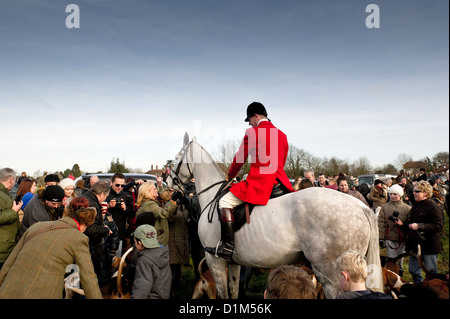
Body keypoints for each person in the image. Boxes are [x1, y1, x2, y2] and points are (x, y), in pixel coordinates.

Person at [213, 102, 294, 260]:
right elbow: (282, 160)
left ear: (256, 116)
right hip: (281, 182)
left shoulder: (253, 132)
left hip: (261, 182)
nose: (249, 123)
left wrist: (230, 175)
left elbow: (239, 158)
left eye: (249, 119)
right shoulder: (282, 134)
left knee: (224, 202)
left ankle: (228, 247)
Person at [0, 198, 102, 299]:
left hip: (8, 291)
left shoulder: (36, 227)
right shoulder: (79, 238)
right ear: (84, 223)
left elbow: (9, 263)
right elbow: (89, 279)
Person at [405, 180, 444, 284]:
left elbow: (438, 225)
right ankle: (421, 289)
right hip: (415, 245)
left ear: (425, 193)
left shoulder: (433, 206)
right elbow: (412, 223)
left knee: (431, 273)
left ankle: (434, 291)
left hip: (429, 245)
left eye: (417, 191)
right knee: (413, 270)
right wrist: (403, 224)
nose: (413, 193)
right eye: (414, 191)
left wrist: (419, 226)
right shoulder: (415, 205)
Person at [378, 184, 411, 276]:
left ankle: (400, 277)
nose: (392, 196)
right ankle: (392, 277)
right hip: (389, 238)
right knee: (392, 260)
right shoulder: (384, 207)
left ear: (400, 195)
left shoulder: (407, 209)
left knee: (400, 261)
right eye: (391, 194)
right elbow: (381, 223)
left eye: (395, 194)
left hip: (402, 239)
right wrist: (381, 237)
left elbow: (409, 224)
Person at [131, 224, 172, 299]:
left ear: (139, 242)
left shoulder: (144, 260)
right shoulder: (163, 254)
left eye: (135, 241)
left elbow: (142, 286)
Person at [136, 181, 181, 246]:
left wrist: (174, 205)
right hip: (157, 242)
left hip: (155, 241)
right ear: (147, 192)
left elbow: (167, 216)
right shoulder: (149, 205)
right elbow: (163, 213)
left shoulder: (148, 204)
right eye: (154, 189)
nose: (157, 190)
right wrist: (173, 201)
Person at [82, 181, 112, 280]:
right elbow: (90, 228)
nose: (105, 199)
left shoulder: (84, 197)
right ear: (102, 194)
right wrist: (105, 230)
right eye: (106, 196)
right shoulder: (92, 204)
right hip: (91, 247)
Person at [106, 173, 136, 250]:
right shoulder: (104, 194)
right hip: (105, 232)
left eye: (122, 186)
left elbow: (132, 215)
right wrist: (108, 206)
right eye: (117, 185)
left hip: (120, 233)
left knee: (117, 258)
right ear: (111, 183)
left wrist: (125, 209)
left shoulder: (127, 196)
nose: (120, 187)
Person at [0, 168, 22, 270]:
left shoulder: (4, 193)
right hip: (2, 249)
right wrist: (14, 212)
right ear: (11, 180)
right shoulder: (1, 195)